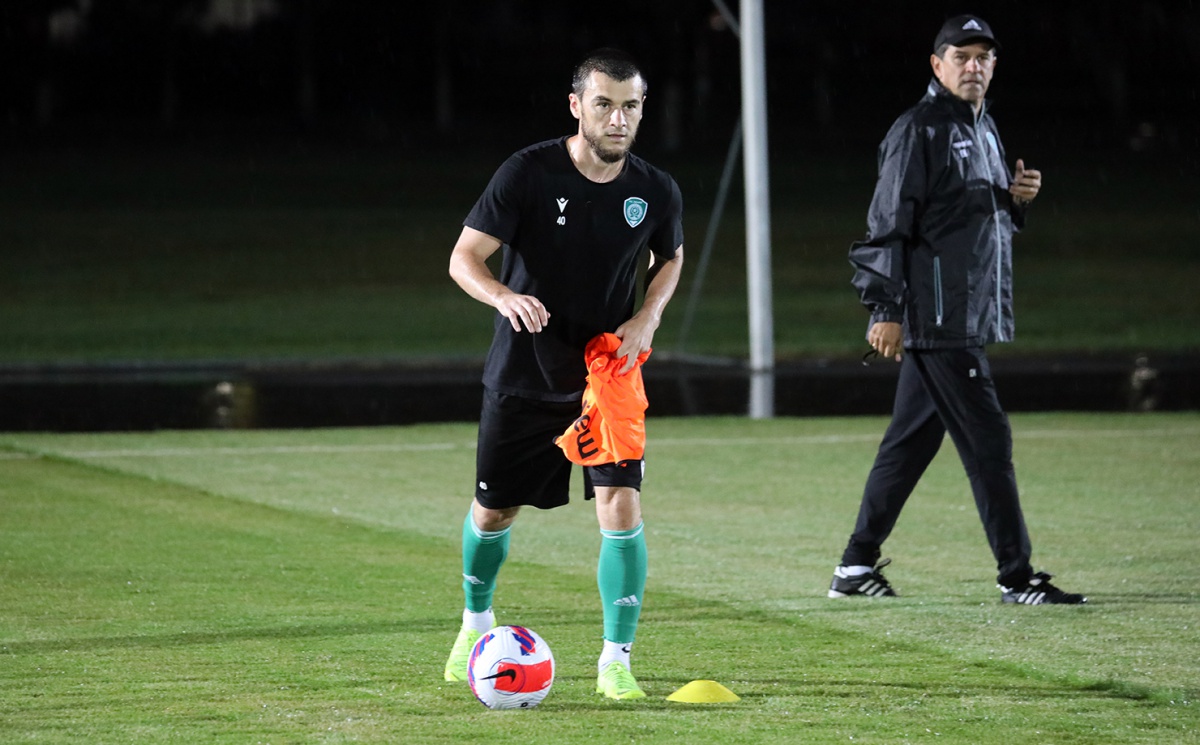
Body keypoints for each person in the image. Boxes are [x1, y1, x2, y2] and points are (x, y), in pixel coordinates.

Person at [443, 48, 685, 699]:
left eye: (630, 106)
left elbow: (671, 257)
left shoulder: (655, 189)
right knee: (494, 512)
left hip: (606, 373)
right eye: (603, 103)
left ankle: (616, 660)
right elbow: (464, 257)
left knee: (622, 506)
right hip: (524, 371)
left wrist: (649, 316)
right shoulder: (527, 172)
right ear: (577, 105)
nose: (618, 118)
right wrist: (501, 296)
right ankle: (475, 622)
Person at [829, 15, 1086, 605]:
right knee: (989, 442)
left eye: (984, 58)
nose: (974, 67)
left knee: (909, 445)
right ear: (937, 65)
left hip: (958, 317)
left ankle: (854, 566)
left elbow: (962, 215)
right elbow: (886, 223)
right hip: (940, 320)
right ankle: (1017, 577)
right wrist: (884, 306)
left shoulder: (984, 126)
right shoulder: (919, 129)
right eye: (961, 56)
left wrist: (1012, 201)